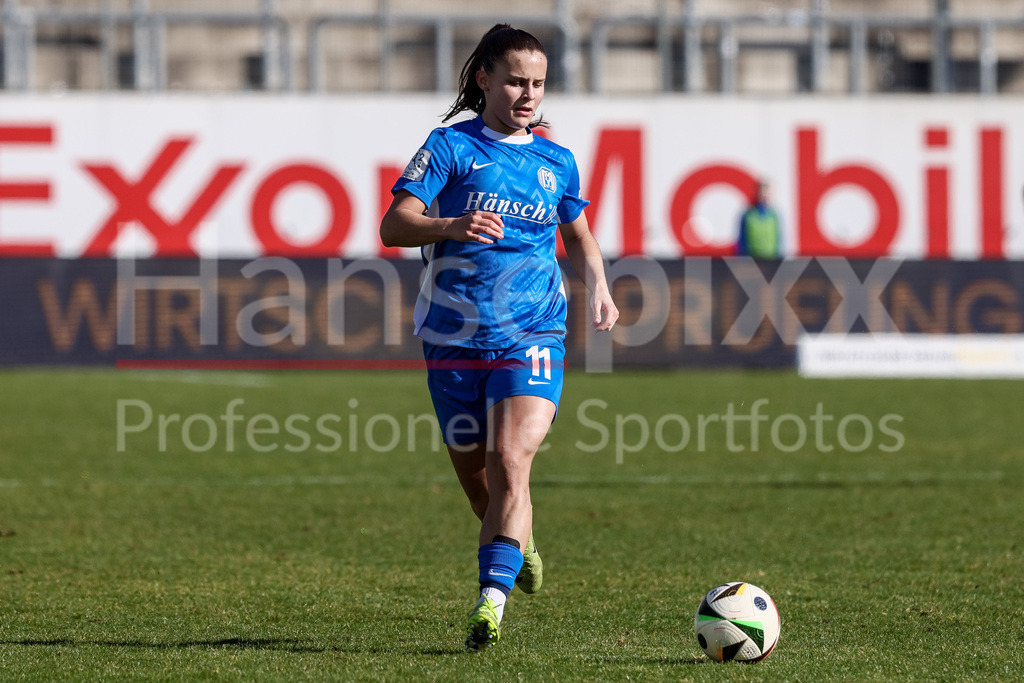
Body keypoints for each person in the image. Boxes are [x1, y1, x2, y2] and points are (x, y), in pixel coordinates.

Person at [380, 23, 619, 651]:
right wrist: (452, 224)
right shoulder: (450, 149)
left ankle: (490, 604)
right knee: (480, 483)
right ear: (484, 77)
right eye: (515, 80)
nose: (528, 94)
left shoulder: (555, 159)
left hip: (534, 331)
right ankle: (521, 544)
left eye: (538, 83)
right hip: (453, 339)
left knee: (511, 461)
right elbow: (394, 225)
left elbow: (580, 235)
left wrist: (599, 284)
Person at [736, 178, 782, 259]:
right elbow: (742, 241)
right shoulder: (748, 214)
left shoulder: (774, 215)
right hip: (752, 260)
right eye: (762, 191)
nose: (764, 195)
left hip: (771, 261)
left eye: (767, 192)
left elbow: (779, 240)